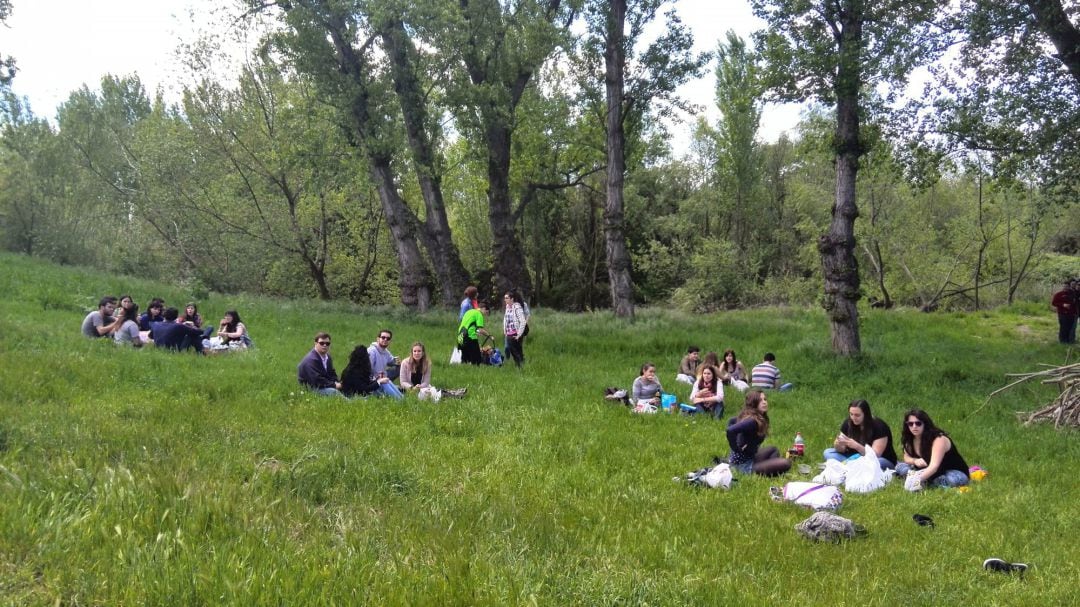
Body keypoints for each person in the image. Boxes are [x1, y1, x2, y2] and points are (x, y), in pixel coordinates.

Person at [894, 409, 970, 488]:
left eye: (918, 423)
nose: (914, 426)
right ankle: (921, 478)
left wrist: (916, 480)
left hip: (952, 472)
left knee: (946, 480)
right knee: (902, 468)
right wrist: (915, 461)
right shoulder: (911, 438)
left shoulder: (939, 439)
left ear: (925, 424)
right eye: (910, 424)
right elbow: (906, 456)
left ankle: (923, 480)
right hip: (929, 470)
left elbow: (934, 467)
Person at [726, 390, 791, 476]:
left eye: (765, 399)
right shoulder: (752, 421)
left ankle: (768, 469)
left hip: (750, 457)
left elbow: (731, 420)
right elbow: (730, 430)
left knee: (773, 450)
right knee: (786, 463)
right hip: (742, 466)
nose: (764, 402)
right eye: (760, 400)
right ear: (753, 403)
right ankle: (764, 471)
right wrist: (736, 449)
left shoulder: (757, 416)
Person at [822, 399, 897, 469]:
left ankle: (846, 466)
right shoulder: (848, 423)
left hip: (879, 459)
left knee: (876, 463)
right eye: (851, 414)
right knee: (828, 452)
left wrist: (856, 446)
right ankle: (852, 466)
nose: (853, 418)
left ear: (866, 414)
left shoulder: (879, 426)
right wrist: (838, 445)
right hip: (855, 457)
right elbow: (841, 450)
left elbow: (875, 455)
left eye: (857, 415)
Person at [399, 342, 467, 398]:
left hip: (423, 388)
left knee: (433, 392)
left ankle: (454, 393)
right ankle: (455, 394)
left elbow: (426, 381)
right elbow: (403, 382)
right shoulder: (405, 363)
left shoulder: (427, 363)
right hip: (409, 390)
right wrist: (412, 388)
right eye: (415, 351)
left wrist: (420, 386)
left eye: (419, 351)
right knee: (431, 395)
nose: (417, 353)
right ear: (412, 352)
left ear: (423, 353)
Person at [503, 290, 527, 367]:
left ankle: (519, 366)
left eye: (507, 298)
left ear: (512, 299)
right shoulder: (507, 307)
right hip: (509, 333)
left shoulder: (517, 307)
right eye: (505, 298)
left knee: (515, 350)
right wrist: (504, 330)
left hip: (516, 333)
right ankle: (521, 365)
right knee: (516, 350)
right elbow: (505, 319)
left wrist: (519, 334)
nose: (505, 300)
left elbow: (523, 321)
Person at [1051, 279, 1077, 344]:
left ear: (1069, 287)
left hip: (1071, 314)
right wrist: (1063, 305)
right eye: (1064, 286)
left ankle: (1068, 340)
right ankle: (1062, 341)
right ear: (1063, 286)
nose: (1065, 287)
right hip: (1062, 313)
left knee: (1069, 327)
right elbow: (1054, 303)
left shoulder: (1072, 294)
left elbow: (1075, 303)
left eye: (1067, 286)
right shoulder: (1058, 294)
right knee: (1063, 327)